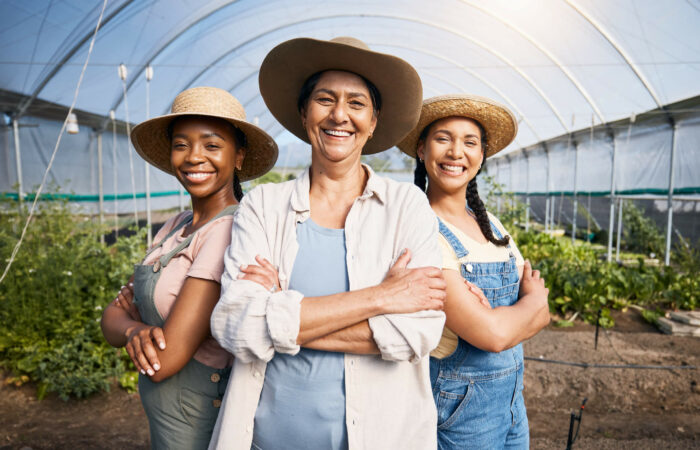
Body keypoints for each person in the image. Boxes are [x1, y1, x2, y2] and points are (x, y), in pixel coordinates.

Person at [208, 37, 447, 450]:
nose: (339, 114)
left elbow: (419, 332)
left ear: (373, 122)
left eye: (356, 103)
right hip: (271, 438)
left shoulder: (406, 205)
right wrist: (381, 297)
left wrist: (282, 309)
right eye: (324, 99)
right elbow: (236, 327)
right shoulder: (263, 206)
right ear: (304, 114)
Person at [100, 86, 278, 450]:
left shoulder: (228, 229)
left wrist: (129, 325)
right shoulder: (177, 225)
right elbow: (110, 321)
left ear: (239, 157)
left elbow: (164, 361)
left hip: (197, 413)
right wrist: (135, 329)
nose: (195, 157)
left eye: (212, 146)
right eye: (182, 145)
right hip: (166, 413)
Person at [398, 94, 551, 449]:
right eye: (443, 138)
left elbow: (542, 315)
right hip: (460, 409)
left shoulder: (490, 224)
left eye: (470, 142)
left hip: (513, 402)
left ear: (481, 156)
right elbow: (494, 336)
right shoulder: (420, 230)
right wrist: (528, 307)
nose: (456, 152)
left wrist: (511, 315)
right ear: (421, 150)